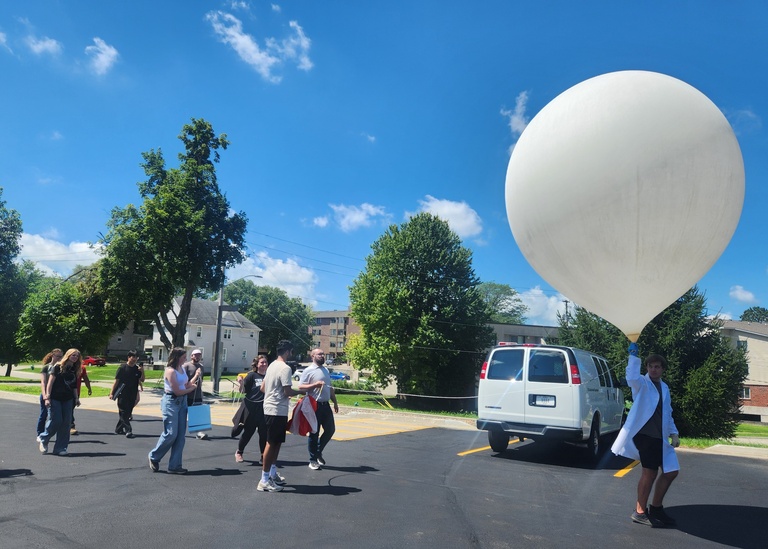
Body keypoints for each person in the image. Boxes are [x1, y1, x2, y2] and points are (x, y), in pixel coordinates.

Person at [611, 343, 680, 528]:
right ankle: (640, 512)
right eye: (650, 366)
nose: (654, 369)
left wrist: (674, 433)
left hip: (660, 437)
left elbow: (668, 412)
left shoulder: (664, 387)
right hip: (645, 436)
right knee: (649, 472)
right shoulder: (641, 383)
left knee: (671, 471)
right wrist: (633, 357)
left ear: (662, 369)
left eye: (657, 366)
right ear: (646, 368)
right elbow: (631, 377)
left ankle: (656, 508)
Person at [258, 340, 323, 492]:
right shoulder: (285, 368)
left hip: (273, 409)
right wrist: (304, 391)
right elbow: (288, 391)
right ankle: (264, 480)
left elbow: (263, 388)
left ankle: (272, 474)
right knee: (271, 442)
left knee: (277, 442)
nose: (291, 354)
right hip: (275, 410)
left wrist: (273, 394)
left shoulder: (272, 365)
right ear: (287, 352)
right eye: (291, 352)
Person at [148, 348, 201, 474]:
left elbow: (186, 384)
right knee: (171, 433)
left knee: (180, 436)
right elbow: (177, 391)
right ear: (177, 357)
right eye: (183, 356)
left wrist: (196, 377)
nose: (186, 359)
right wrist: (191, 389)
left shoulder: (182, 369)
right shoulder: (170, 371)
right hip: (171, 401)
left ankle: (175, 465)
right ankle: (154, 456)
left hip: (182, 402)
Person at [299, 348, 339, 470]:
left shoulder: (325, 370)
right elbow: (301, 387)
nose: (322, 356)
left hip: (325, 405)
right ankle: (312, 460)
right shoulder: (308, 371)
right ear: (313, 356)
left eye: (323, 354)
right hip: (313, 405)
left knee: (330, 429)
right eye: (319, 354)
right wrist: (314, 385)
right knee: (314, 433)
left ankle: (318, 452)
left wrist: (335, 402)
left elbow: (330, 388)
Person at [38, 348, 82, 456]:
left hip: (68, 399)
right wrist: (47, 397)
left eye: (77, 356)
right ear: (68, 355)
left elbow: (73, 385)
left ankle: (60, 448)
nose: (75, 357)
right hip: (55, 397)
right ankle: (44, 438)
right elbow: (50, 383)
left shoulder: (74, 369)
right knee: (56, 420)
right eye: (73, 355)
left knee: (66, 423)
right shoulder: (58, 367)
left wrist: (76, 398)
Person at [235, 354, 269, 463]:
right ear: (257, 364)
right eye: (262, 362)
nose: (264, 364)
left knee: (264, 433)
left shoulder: (269, 376)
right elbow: (242, 391)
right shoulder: (252, 376)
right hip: (250, 408)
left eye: (265, 362)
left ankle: (263, 455)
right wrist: (240, 383)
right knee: (249, 431)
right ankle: (239, 452)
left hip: (263, 408)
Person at [110, 350, 145, 438]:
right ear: (128, 357)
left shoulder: (137, 369)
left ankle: (119, 429)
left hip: (132, 393)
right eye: (132, 357)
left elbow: (142, 380)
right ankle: (128, 430)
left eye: (136, 357)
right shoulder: (122, 368)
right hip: (122, 392)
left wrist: (142, 371)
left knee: (128, 412)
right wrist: (112, 393)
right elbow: (116, 381)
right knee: (123, 411)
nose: (134, 359)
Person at [37, 348, 63, 440]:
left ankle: (49, 434)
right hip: (46, 394)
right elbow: (43, 382)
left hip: (56, 395)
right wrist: (45, 396)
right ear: (52, 356)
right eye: (58, 356)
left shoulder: (61, 367)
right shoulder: (46, 367)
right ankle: (40, 434)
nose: (60, 358)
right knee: (44, 415)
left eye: (61, 356)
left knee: (54, 417)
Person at [183, 349, 208, 440]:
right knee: (184, 414)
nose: (197, 357)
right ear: (191, 356)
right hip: (187, 394)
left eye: (199, 355)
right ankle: (180, 431)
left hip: (197, 394)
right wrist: (196, 375)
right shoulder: (186, 366)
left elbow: (201, 380)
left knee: (198, 414)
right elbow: (185, 382)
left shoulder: (201, 367)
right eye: (196, 355)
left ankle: (199, 432)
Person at [69, 361, 92, 435]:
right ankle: (68, 426)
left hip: (76, 392)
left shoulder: (81, 368)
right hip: (65, 391)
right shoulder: (65, 367)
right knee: (67, 410)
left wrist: (89, 388)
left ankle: (71, 426)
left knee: (70, 409)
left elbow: (85, 378)